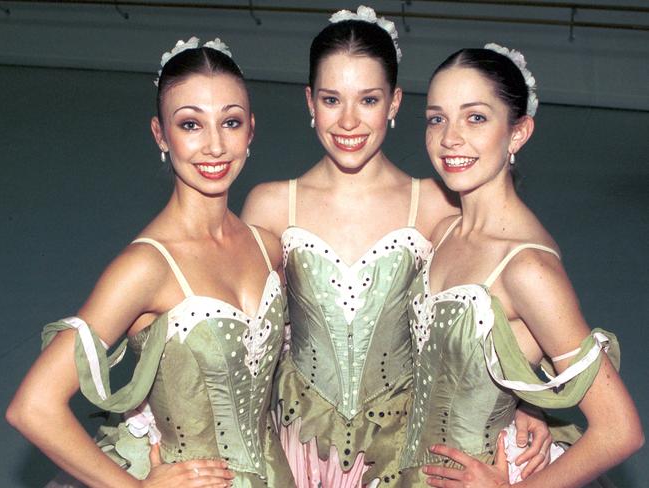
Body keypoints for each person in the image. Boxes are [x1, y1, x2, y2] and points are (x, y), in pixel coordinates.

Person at [242, 7, 551, 487]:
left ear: (394, 102)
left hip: (405, 452)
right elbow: (243, 324)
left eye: (368, 99)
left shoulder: (435, 204)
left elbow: (506, 307)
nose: (348, 120)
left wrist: (531, 402)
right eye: (330, 99)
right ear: (309, 101)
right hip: (297, 445)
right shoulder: (270, 205)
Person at [7, 37, 295, 488]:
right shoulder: (146, 267)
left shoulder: (267, 246)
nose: (215, 146)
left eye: (231, 122)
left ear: (251, 130)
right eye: (190, 125)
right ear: (161, 134)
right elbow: (33, 407)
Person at [397, 44, 644, 487]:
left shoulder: (527, 268)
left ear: (517, 133)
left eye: (475, 117)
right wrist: (527, 404)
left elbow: (620, 430)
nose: (450, 138)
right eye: (437, 118)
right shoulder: (446, 229)